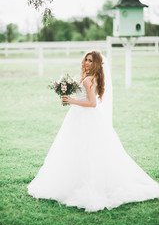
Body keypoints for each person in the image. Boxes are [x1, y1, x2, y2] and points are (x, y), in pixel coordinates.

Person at [27, 51, 159, 212]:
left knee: (87, 150)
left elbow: (92, 103)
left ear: (96, 64)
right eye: (86, 59)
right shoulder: (88, 77)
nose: (87, 62)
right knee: (75, 149)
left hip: (86, 117)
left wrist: (71, 100)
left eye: (90, 60)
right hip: (78, 116)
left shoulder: (89, 79)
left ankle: (87, 183)